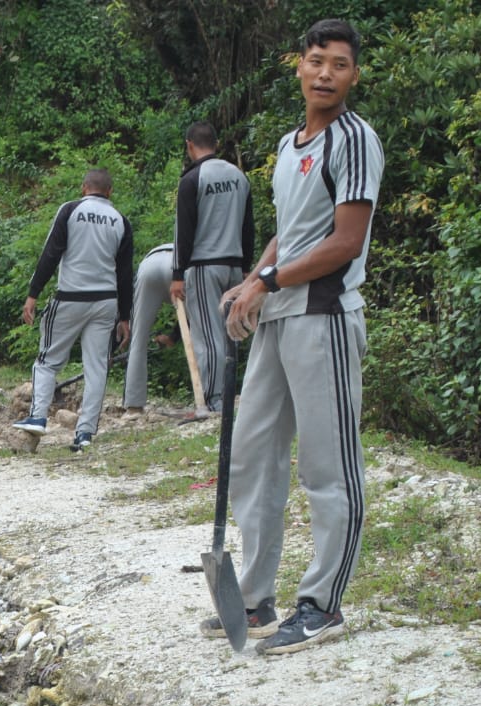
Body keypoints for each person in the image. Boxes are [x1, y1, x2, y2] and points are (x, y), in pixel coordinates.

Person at [204, 19, 384, 656]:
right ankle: (254, 598)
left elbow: (344, 242)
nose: (326, 73)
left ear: (353, 75)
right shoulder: (289, 143)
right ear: (299, 68)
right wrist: (252, 281)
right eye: (317, 61)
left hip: (324, 317)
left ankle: (323, 603)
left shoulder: (354, 140)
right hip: (280, 316)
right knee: (253, 454)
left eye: (339, 64)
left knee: (327, 467)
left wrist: (268, 282)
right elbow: (291, 229)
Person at [13, 168, 133, 451]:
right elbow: (125, 273)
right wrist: (125, 316)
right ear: (110, 192)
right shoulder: (121, 221)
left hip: (69, 298)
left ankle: (38, 417)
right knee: (96, 368)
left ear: (83, 188)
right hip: (105, 302)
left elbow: (51, 254)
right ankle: (85, 434)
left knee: (48, 361)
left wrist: (33, 294)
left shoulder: (70, 211)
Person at [169, 121, 255, 413]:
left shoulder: (192, 179)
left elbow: (184, 231)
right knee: (232, 332)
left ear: (190, 145)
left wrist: (178, 274)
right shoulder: (239, 177)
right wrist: (246, 269)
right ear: (216, 145)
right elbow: (248, 225)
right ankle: (227, 395)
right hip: (234, 267)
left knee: (207, 335)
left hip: (204, 266)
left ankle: (211, 399)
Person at [123, 243, 175, 413]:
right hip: (178, 262)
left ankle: (133, 405)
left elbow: (129, 311)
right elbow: (193, 318)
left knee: (138, 339)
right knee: (201, 334)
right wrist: (174, 337)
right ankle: (207, 399)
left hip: (150, 261)